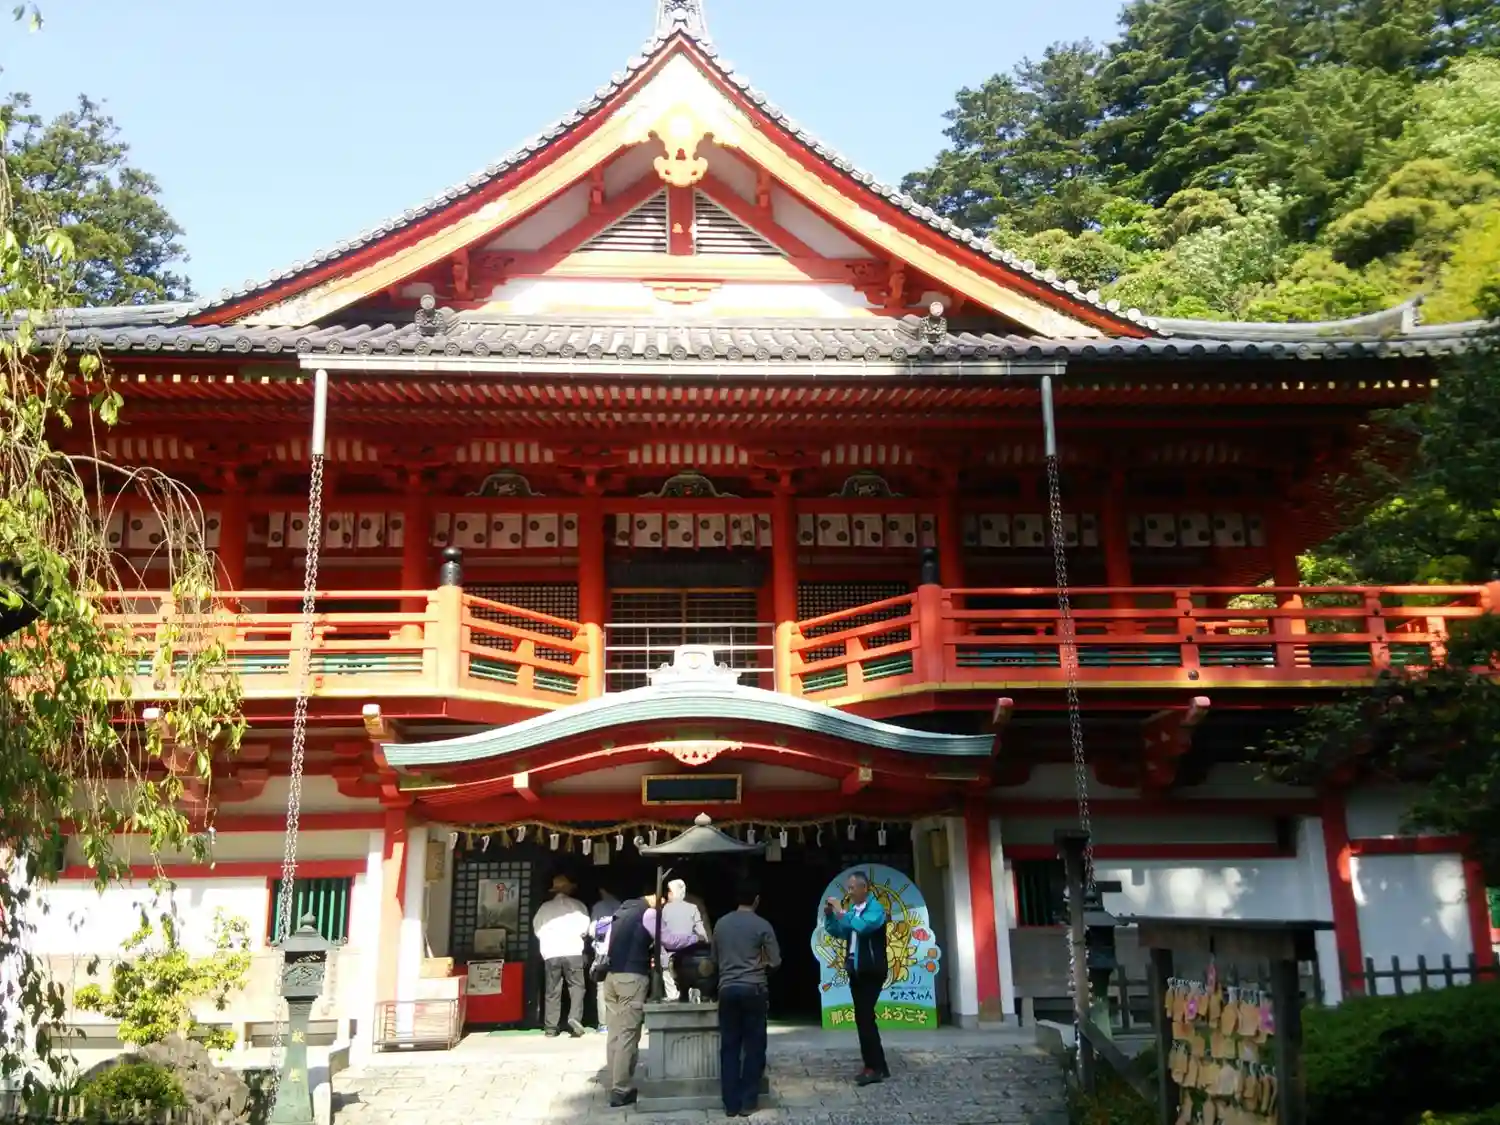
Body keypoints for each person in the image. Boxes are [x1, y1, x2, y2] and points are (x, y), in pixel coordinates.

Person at [713, 879, 781, 1118]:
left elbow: (714, 959)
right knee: (754, 1046)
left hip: (727, 989)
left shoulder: (721, 924)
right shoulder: (762, 925)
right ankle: (748, 1101)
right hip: (754, 989)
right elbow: (775, 961)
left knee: (729, 1046)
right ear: (757, 900)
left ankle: (730, 1103)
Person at [823, 870, 889, 1085]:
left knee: (865, 1017)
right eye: (848, 888)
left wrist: (842, 912)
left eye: (852, 888)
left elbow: (862, 927)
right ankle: (878, 1065)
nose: (849, 892)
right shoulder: (853, 911)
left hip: (872, 970)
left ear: (864, 888)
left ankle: (873, 1067)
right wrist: (830, 916)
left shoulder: (875, 909)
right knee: (863, 1018)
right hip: (856, 970)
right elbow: (839, 931)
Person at [602, 886, 657, 1108]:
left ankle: (614, 1080)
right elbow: (664, 940)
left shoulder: (621, 912)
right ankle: (621, 1088)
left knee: (615, 1032)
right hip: (631, 977)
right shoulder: (648, 913)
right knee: (628, 1033)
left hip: (611, 976)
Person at [531, 873, 589, 1038]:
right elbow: (585, 930)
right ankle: (575, 1018)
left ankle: (551, 1027)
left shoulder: (545, 908)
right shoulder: (578, 906)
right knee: (576, 987)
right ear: (569, 890)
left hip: (552, 952)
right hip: (573, 951)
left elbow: (537, 930)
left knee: (552, 990)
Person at [641, 878, 709, 1001]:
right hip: (689, 961)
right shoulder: (693, 908)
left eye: (669, 892)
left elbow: (659, 936)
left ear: (672, 893)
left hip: (668, 961)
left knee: (673, 998)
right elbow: (703, 935)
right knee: (691, 996)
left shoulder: (663, 910)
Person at [589, 887, 620, 1033]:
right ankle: (617, 1021)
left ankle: (603, 1024)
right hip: (619, 951)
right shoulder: (622, 906)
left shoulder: (598, 907)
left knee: (601, 987)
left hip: (601, 952)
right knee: (619, 984)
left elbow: (591, 931)